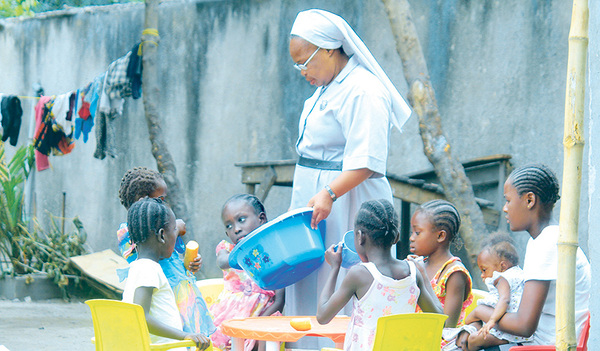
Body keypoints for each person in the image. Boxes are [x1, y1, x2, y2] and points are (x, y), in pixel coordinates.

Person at [286, 8, 413, 328]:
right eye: (296, 65)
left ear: (329, 48)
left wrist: (329, 192)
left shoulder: (363, 89)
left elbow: (368, 160)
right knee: (310, 278)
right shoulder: (327, 88)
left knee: (343, 275)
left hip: (347, 202)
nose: (301, 71)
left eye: (305, 62)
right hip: (320, 200)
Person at [456, 164, 591, 350]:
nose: (504, 208)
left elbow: (524, 326)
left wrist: (480, 312)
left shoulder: (548, 243)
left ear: (529, 200)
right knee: (470, 336)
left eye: (508, 200)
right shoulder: (547, 239)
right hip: (540, 339)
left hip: (547, 345)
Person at [317, 199, 443, 351]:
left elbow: (323, 316)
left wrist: (335, 268)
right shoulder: (412, 273)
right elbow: (439, 317)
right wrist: (421, 273)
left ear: (360, 237)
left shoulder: (360, 274)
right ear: (396, 238)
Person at [117, 167, 215, 336]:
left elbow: (172, 256)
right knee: (181, 334)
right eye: (161, 199)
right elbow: (140, 251)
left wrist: (190, 261)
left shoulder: (164, 225)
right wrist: (175, 228)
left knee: (195, 335)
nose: (165, 203)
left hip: (183, 293)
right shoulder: (128, 232)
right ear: (143, 199)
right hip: (164, 298)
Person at [122, 197, 211, 350]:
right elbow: (141, 316)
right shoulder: (148, 269)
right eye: (175, 231)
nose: (177, 235)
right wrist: (185, 335)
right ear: (162, 235)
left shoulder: (138, 267)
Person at [210, 194, 285, 351]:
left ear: (261, 219)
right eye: (229, 226)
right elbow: (222, 262)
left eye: (241, 220)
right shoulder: (227, 249)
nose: (236, 229)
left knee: (265, 338)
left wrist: (255, 327)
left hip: (262, 317)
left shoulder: (274, 253)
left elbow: (279, 301)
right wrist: (245, 252)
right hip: (230, 317)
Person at [459, 232, 532, 350]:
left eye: (484, 270)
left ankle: (463, 327)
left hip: (506, 332)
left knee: (472, 339)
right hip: (518, 333)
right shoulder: (519, 274)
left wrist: (491, 321)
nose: (482, 276)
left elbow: (504, 300)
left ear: (502, 266)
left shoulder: (501, 278)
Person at [408, 199, 473, 328]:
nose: (411, 238)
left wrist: (423, 280)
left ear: (440, 236)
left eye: (417, 232)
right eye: (412, 232)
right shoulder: (420, 264)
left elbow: (448, 326)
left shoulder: (454, 273)